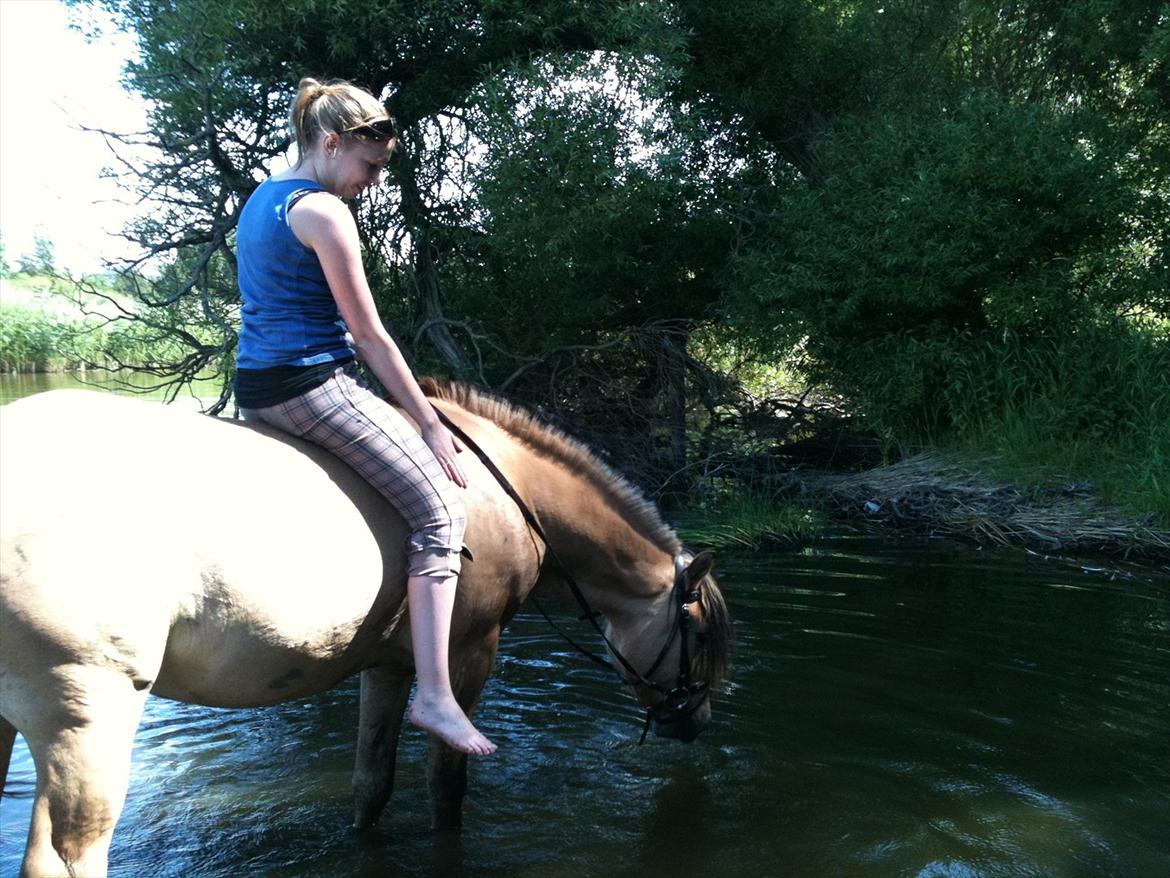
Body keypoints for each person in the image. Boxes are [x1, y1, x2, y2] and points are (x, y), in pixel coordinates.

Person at [234, 77, 496, 756]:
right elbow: (370, 336)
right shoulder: (323, 210)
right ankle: (436, 697)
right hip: (310, 387)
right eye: (370, 167)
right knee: (441, 510)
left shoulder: (262, 199)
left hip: (256, 386)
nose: (373, 183)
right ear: (330, 142)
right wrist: (431, 426)